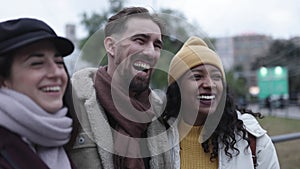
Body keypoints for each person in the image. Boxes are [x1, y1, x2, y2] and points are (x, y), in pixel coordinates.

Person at [69, 7, 177, 169]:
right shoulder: (72, 102)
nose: (150, 52)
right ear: (111, 46)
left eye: (157, 45)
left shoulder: (162, 115)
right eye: (140, 40)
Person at [163, 36, 280, 169]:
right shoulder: (155, 138)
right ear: (176, 88)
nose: (210, 84)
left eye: (216, 76)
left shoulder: (253, 140)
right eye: (197, 76)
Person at [0, 18, 78, 168]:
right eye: (37, 63)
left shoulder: (58, 139)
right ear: (3, 80)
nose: (56, 73)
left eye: (59, 62)